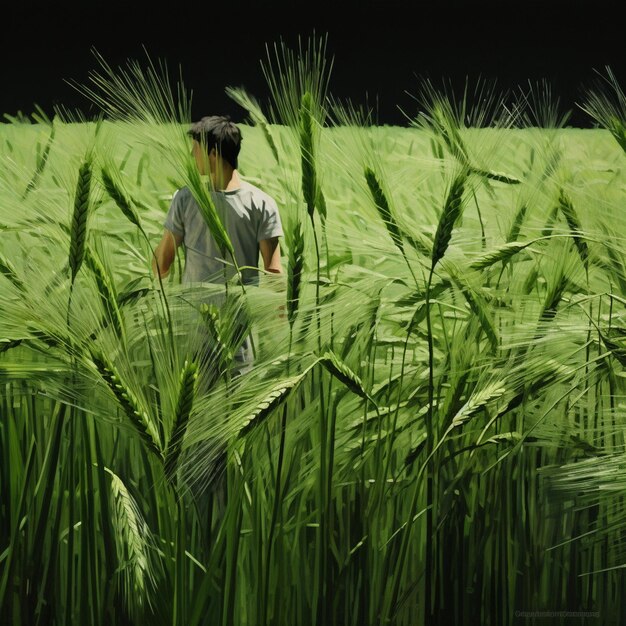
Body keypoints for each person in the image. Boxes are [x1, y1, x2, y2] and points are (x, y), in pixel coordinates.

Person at [152, 115, 284, 378]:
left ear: (213, 153)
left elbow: (161, 265)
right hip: (241, 335)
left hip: (194, 332)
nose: (192, 154)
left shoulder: (185, 199)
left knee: (198, 413)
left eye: (196, 148)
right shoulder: (263, 204)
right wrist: (281, 324)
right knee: (237, 413)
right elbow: (274, 273)